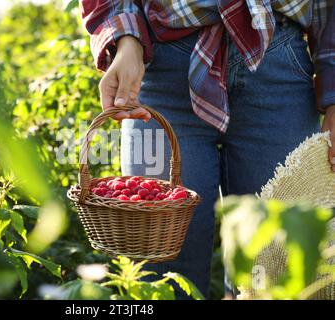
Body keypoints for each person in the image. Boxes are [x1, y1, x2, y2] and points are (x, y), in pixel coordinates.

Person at [80, 0, 334, 298]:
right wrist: (126, 41)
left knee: (274, 267)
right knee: (165, 272)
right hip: (163, 70)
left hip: (281, 69)